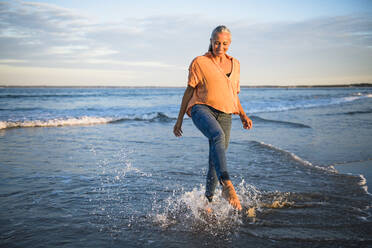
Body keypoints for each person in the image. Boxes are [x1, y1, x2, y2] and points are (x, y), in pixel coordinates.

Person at [173, 25, 252, 211]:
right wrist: (179, 120)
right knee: (217, 135)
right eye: (216, 42)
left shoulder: (236, 64)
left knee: (215, 158)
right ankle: (227, 185)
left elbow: (234, 94)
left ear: (229, 43)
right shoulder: (199, 62)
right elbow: (189, 91)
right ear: (210, 41)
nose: (220, 46)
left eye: (224, 43)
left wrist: (243, 114)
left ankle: (207, 200)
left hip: (225, 113)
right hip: (201, 108)